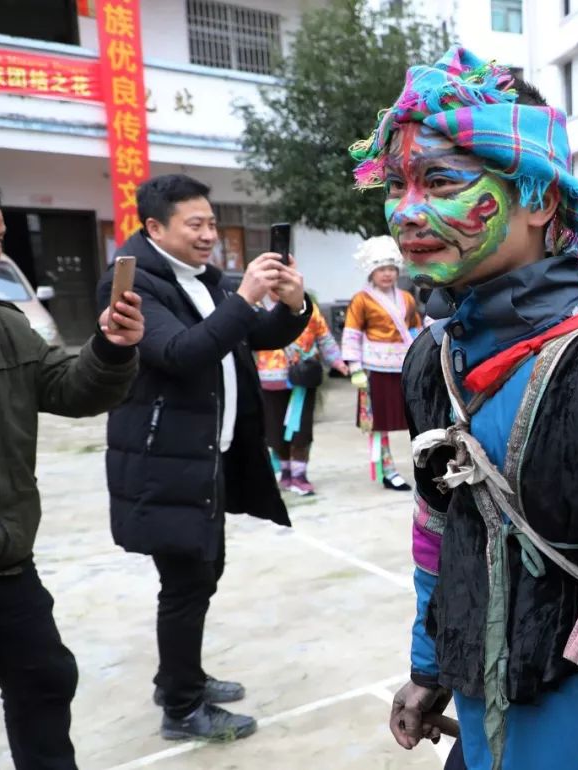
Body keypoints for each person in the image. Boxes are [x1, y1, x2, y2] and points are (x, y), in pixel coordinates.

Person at [350, 48, 578, 769]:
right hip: (479, 717)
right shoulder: (434, 358)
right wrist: (430, 667)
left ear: (538, 198)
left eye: (440, 181)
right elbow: (441, 535)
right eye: (397, 183)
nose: (407, 211)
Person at [98, 174, 310, 742]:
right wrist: (243, 299)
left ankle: (180, 678)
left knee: (201, 572)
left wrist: (293, 305)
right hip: (164, 461)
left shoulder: (199, 279)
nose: (209, 235)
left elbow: (252, 335)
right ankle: (181, 709)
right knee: (188, 579)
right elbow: (179, 352)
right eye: (195, 224)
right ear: (154, 227)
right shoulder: (133, 282)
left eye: (211, 223)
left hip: (203, 457)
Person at [0, 166, 142, 768]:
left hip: (4, 561)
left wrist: (111, 347)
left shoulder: (2, 326)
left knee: (46, 679)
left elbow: (70, 389)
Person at [342, 236, 422, 492]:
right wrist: (354, 367)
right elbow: (352, 332)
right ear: (371, 273)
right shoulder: (361, 300)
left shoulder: (407, 299)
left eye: (391, 268)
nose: (387, 274)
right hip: (374, 368)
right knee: (380, 423)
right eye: (380, 269)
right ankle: (388, 469)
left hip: (403, 366)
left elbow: (417, 330)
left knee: (415, 418)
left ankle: (422, 465)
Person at [257, 300, 349, 495]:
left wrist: (337, 362)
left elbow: (323, 336)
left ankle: (299, 475)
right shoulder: (256, 305)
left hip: (303, 375)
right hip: (269, 377)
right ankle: (285, 473)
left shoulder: (307, 305)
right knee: (275, 430)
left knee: (301, 429)